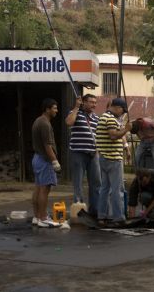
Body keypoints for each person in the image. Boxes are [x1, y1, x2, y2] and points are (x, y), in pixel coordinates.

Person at [96, 97, 132, 227]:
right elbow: (113, 135)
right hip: (113, 159)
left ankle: (101, 216)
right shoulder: (111, 119)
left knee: (105, 189)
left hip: (104, 158)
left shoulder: (104, 117)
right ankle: (118, 218)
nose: (123, 114)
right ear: (118, 108)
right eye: (123, 111)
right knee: (118, 190)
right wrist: (126, 129)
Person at [65, 94, 101, 217]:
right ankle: (78, 210)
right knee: (78, 183)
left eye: (95, 102)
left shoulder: (96, 118)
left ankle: (94, 211)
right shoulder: (76, 113)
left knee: (96, 183)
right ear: (84, 102)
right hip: (78, 152)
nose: (94, 105)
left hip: (93, 154)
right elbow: (69, 122)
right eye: (91, 102)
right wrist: (76, 107)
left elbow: (98, 135)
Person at [31, 98, 61, 228]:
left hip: (37, 158)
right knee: (45, 189)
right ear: (47, 109)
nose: (56, 111)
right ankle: (43, 217)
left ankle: (37, 216)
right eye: (54, 108)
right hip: (44, 160)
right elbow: (48, 145)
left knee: (38, 188)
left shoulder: (38, 120)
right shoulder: (45, 124)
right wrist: (54, 161)